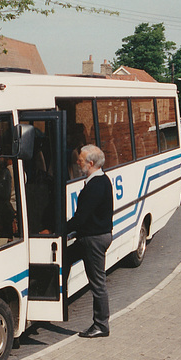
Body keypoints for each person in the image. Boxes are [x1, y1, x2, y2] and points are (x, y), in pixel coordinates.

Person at [67, 144, 113, 338]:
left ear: (91, 163)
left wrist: (57, 231)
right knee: (63, 258)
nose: (78, 163)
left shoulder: (95, 186)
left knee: (97, 283)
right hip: (90, 237)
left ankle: (101, 325)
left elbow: (80, 218)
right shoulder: (99, 180)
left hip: (93, 240)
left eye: (81, 160)